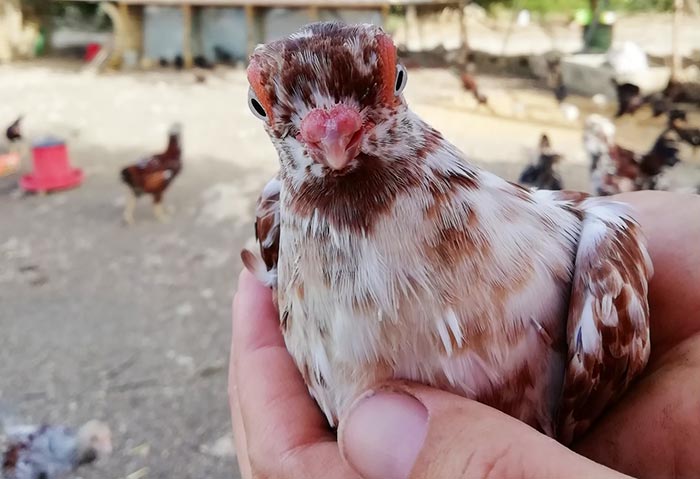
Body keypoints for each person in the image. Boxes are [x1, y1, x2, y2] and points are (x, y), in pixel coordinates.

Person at [229, 190, 700, 479]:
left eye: (388, 81)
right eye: (266, 106)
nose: (333, 136)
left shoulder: (588, 248)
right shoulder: (284, 224)